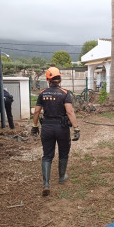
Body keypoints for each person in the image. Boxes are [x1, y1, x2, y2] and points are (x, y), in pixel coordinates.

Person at [31, 67, 80, 196]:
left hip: (46, 128)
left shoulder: (42, 93)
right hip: (62, 128)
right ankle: (62, 176)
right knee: (63, 153)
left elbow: (36, 111)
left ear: (48, 79)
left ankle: (46, 184)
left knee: (47, 156)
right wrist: (76, 128)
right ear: (60, 79)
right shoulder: (65, 93)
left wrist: (34, 126)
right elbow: (69, 111)